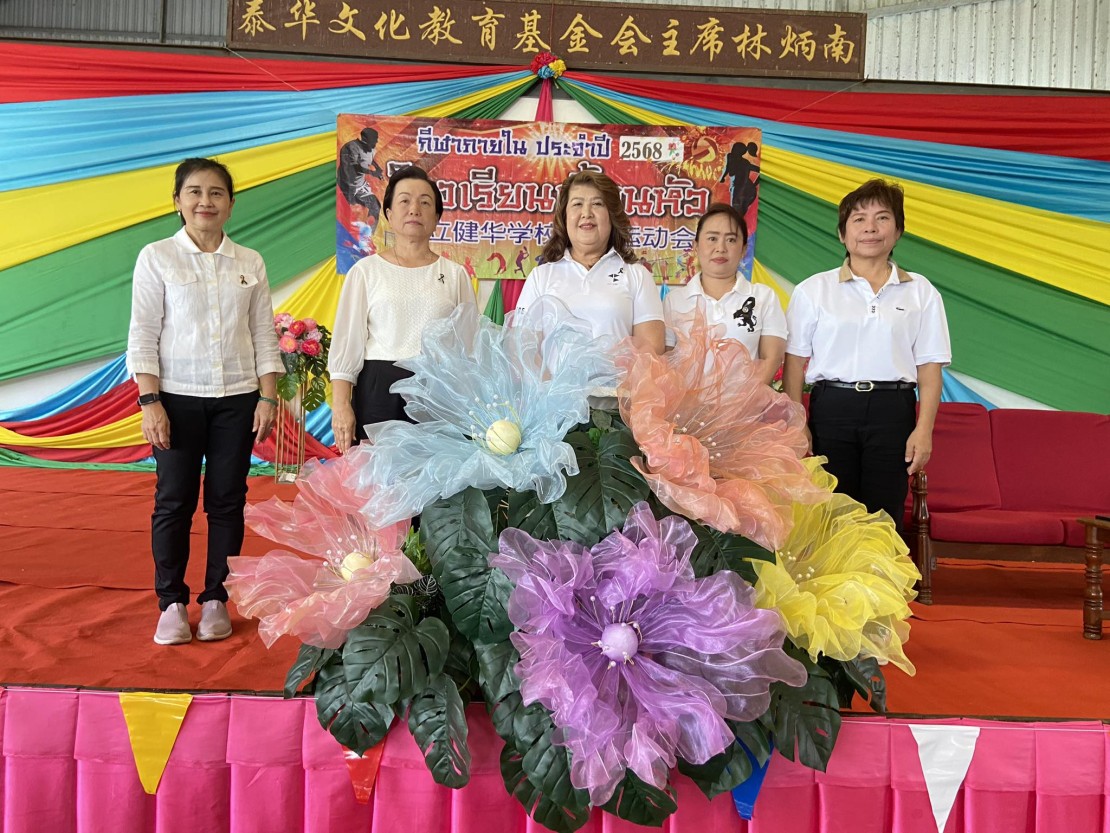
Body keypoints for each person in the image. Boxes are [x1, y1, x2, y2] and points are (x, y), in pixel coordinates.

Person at [127, 157, 283, 646]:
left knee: (228, 500)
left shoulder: (249, 262)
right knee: (173, 500)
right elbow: (143, 334)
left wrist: (268, 397)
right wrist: (150, 400)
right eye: (194, 192)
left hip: (237, 398)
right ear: (177, 201)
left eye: (216, 193)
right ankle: (171, 603)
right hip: (175, 398)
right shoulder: (157, 257)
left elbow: (264, 334)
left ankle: (216, 598)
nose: (205, 202)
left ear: (231, 204)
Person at [782, 178, 951, 532]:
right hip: (832, 409)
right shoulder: (814, 290)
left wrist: (924, 430)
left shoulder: (921, 292)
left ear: (898, 230)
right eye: (859, 219)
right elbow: (794, 364)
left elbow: (930, 369)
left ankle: (883, 572)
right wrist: (797, 422)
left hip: (893, 411)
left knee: (883, 517)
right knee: (831, 514)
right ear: (842, 234)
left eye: (882, 218)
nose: (870, 228)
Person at [329, 165, 475, 453]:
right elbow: (347, 343)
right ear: (388, 214)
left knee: (433, 475)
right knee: (378, 475)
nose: (414, 209)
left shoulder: (455, 275)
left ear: (437, 217)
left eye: (425, 203)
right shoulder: (366, 272)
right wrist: (341, 404)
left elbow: (468, 350)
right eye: (404, 201)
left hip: (436, 391)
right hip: (378, 389)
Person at [515, 170, 664, 354]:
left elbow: (652, 351)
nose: (586, 213)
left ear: (612, 216)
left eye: (597, 204)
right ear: (564, 217)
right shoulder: (541, 277)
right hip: (551, 375)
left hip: (619, 375)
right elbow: (521, 350)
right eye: (577, 204)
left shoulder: (637, 275)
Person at [663, 203, 786, 384]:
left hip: (747, 401)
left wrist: (744, 399)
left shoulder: (763, 297)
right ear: (696, 246)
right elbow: (666, 360)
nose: (720, 248)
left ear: (743, 249)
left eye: (731, 240)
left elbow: (772, 359)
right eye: (712, 238)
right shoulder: (674, 301)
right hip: (686, 402)